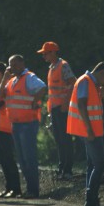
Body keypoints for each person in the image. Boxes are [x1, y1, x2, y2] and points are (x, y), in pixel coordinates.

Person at [67, 61, 104, 206]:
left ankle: (91, 201)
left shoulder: (91, 83)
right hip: (89, 131)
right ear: (102, 72)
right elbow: (81, 104)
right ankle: (91, 201)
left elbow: (91, 104)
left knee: (92, 165)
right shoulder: (85, 81)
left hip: (90, 130)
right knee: (100, 164)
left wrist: (103, 93)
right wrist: (88, 129)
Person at [0, 55, 46, 199]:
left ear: (22, 63)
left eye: (16, 64)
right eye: (10, 65)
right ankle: (29, 190)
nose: (13, 67)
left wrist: (35, 101)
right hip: (16, 124)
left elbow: (42, 87)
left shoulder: (29, 77)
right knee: (22, 159)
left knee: (29, 157)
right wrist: (5, 78)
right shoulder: (11, 81)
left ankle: (33, 190)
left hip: (28, 123)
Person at [38, 41, 76, 180]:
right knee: (60, 140)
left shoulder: (63, 65)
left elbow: (73, 83)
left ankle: (67, 171)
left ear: (53, 52)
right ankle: (62, 169)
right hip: (55, 109)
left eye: (45, 53)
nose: (44, 56)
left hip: (62, 108)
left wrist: (66, 103)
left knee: (65, 139)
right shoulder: (52, 67)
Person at [0, 62, 22, 198]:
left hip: (5, 128)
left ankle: (16, 188)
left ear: (0, 73)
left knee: (9, 159)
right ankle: (9, 188)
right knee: (3, 160)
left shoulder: (7, 86)